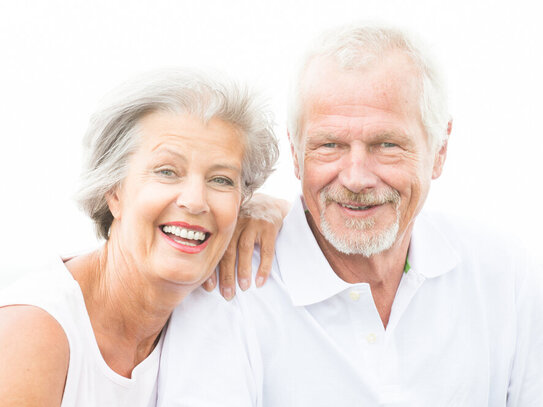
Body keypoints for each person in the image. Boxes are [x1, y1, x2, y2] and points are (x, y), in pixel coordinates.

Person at [159, 24, 543, 406]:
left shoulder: (501, 274)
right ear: (295, 155)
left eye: (387, 144)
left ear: (439, 149)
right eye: (330, 145)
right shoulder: (225, 296)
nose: (356, 177)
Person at [0, 69, 280, 406]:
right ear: (113, 191)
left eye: (221, 180)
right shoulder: (30, 331)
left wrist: (282, 213)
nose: (195, 200)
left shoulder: (205, 315)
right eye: (166, 171)